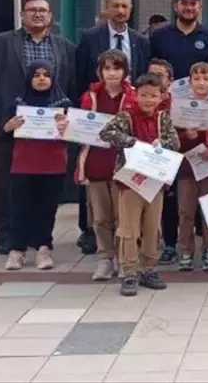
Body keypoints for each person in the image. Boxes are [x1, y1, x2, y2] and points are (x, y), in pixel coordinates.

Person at [0, 0, 77, 255]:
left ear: (51, 16)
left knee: (44, 186)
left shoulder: (65, 47)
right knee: (7, 183)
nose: (37, 14)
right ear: (23, 15)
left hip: (50, 132)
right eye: (32, 10)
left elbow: (71, 87)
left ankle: (39, 237)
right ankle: (7, 236)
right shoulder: (2, 43)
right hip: (11, 124)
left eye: (43, 10)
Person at [98, 73, 178, 296]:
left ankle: (149, 268)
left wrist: (162, 143)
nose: (149, 100)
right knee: (129, 229)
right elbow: (106, 132)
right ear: (135, 95)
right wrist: (132, 142)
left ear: (162, 96)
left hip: (155, 181)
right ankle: (129, 271)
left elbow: (175, 142)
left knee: (153, 228)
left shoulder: (164, 118)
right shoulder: (126, 116)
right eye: (144, 95)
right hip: (131, 181)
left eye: (153, 95)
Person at [1, 61, 72, 271]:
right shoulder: (17, 104)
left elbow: (75, 134)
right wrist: (9, 126)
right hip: (23, 164)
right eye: (37, 75)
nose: (41, 79)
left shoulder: (64, 104)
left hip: (53, 164)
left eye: (46, 75)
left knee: (46, 209)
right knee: (19, 208)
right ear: (29, 78)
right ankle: (17, 250)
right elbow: (3, 131)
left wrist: (66, 126)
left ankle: (43, 248)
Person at [75, 49, 135, 281]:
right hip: (96, 161)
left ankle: (122, 256)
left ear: (125, 72)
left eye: (117, 68)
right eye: (107, 68)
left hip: (122, 163)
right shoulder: (89, 97)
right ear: (100, 72)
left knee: (122, 217)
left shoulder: (132, 96)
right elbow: (79, 127)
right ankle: (104, 258)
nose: (112, 73)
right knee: (99, 217)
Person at [174, 62, 208, 272]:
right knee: (186, 211)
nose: (201, 83)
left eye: (206, 79)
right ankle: (185, 250)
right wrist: (186, 135)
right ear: (190, 81)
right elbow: (172, 138)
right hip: (187, 166)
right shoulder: (181, 106)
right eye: (197, 79)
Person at [148, 0, 208, 87]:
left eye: (193, 4)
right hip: (167, 96)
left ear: (200, 7)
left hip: (202, 97)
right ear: (176, 6)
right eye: (184, 3)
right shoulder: (158, 36)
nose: (189, 8)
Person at [77, 0, 150, 87]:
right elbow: (80, 75)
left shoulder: (141, 42)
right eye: (116, 6)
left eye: (124, 6)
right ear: (107, 8)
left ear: (131, 8)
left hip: (131, 99)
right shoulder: (90, 38)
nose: (120, 11)